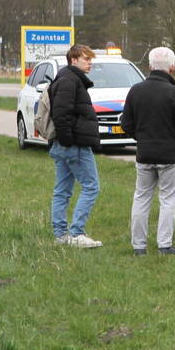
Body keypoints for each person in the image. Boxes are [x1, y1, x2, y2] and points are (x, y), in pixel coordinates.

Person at [121, 47, 175, 256]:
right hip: (170, 155)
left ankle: (139, 246)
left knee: (141, 198)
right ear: (172, 67)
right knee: (168, 199)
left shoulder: (136, 90)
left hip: (145, 153)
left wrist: (141, 137)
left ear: (150, 66)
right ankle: (164, 244)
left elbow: (126, 123)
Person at [48, 44, 103, 248]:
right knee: (91, 187)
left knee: (62, 190)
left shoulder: (68, 78)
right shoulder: (69, 80)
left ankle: (61, 235)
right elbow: (61, 114)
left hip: (65, 144)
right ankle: (77, 233)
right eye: (86, 59)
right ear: (73, 60)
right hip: (73, 144)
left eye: (90, 59)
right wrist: (69, 141)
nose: (90, 63)